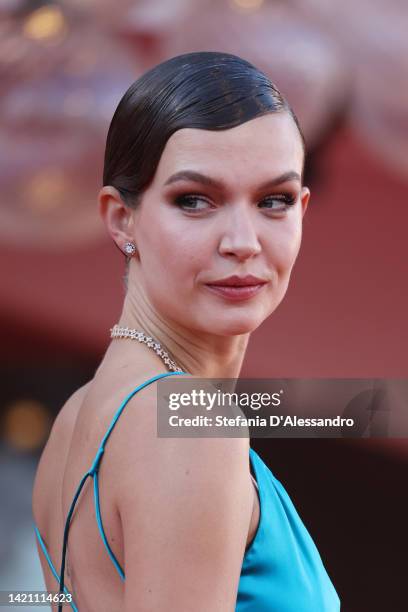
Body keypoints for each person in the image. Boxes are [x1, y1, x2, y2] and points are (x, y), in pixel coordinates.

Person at [32, 51, 341, 611]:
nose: (242, 241)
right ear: (121, 218)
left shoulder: (76, 419)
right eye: (194, 200)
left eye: (274, 201)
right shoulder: (193, 426)